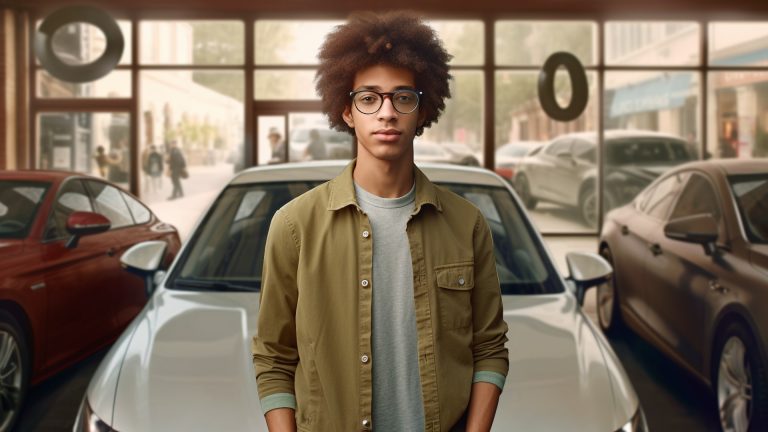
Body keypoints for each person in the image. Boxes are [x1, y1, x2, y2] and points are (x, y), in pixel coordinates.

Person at [252, 11, 509, 432]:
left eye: (402, 97)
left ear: (422, 109)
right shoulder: (294, 226)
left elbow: (490, 347)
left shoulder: (467, 224)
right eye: (369, 98)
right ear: (347, 112)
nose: (386, 112)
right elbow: (274, 356)